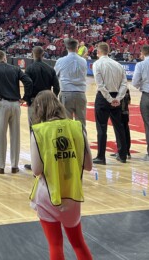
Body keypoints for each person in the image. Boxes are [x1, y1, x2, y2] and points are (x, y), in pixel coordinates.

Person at [29, 91, 93, 260]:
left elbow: (36, 170)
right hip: (72, 195)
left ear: (39, 109)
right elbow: (88, 166)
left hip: (49, 193)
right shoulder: (77, 126)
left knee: (55, 244)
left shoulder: (38, 131)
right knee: (79, 243)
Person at [0, 49, 32, 174]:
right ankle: (14, 166)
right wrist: (25, 98)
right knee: (15, 135)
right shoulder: (15, 69)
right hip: (16, 105)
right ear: (5, 58)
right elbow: (28, 82)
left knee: (1, 135)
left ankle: (0, 166)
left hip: (3, 104)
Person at [23, 46, 60, 170]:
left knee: (34, 132)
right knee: (48, 131)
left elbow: (27, 86)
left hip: (34, 101)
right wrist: (53, 98)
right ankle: (48, 159)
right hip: (48, 102)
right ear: (43, 54)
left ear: (32, 54)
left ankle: (36, 162)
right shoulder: (50, 68)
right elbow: (57, 87)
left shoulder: (29, 68)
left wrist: (28, 100)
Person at [91, 43, 128, 164]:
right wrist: (118, 98)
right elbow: (124, 84)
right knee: (119, 126)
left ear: (98, 52)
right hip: (117, 97)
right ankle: (123, 155)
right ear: (109, 51)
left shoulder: (97, 64)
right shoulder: (118, 64)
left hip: (103, 98)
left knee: (101, 127)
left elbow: (100, 85)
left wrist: (109, 99)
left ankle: (101, 157)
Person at [54, 39, 88, 126]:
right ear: (77, 48)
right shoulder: (83, 61)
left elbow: (55, 76)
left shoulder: (60, 61)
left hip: (66, 92)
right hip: (80, 93)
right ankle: (82, 139)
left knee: (66, 123)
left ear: (67, 48)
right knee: (81, 124)